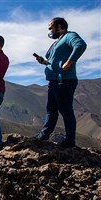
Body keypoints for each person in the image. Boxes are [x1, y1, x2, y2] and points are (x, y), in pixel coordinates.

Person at [35, 17, 87, 148]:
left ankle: (70, 141)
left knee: (65, 110)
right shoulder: (57, 42)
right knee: (51, 110)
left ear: (59, 26)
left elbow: (81, 45)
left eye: (50, 28)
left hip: (64, 81)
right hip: (54, 81)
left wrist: (70, 62)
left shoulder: (70, 36)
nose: (49, 31)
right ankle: (43, 135)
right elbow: (54, 62)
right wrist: (44, 62)